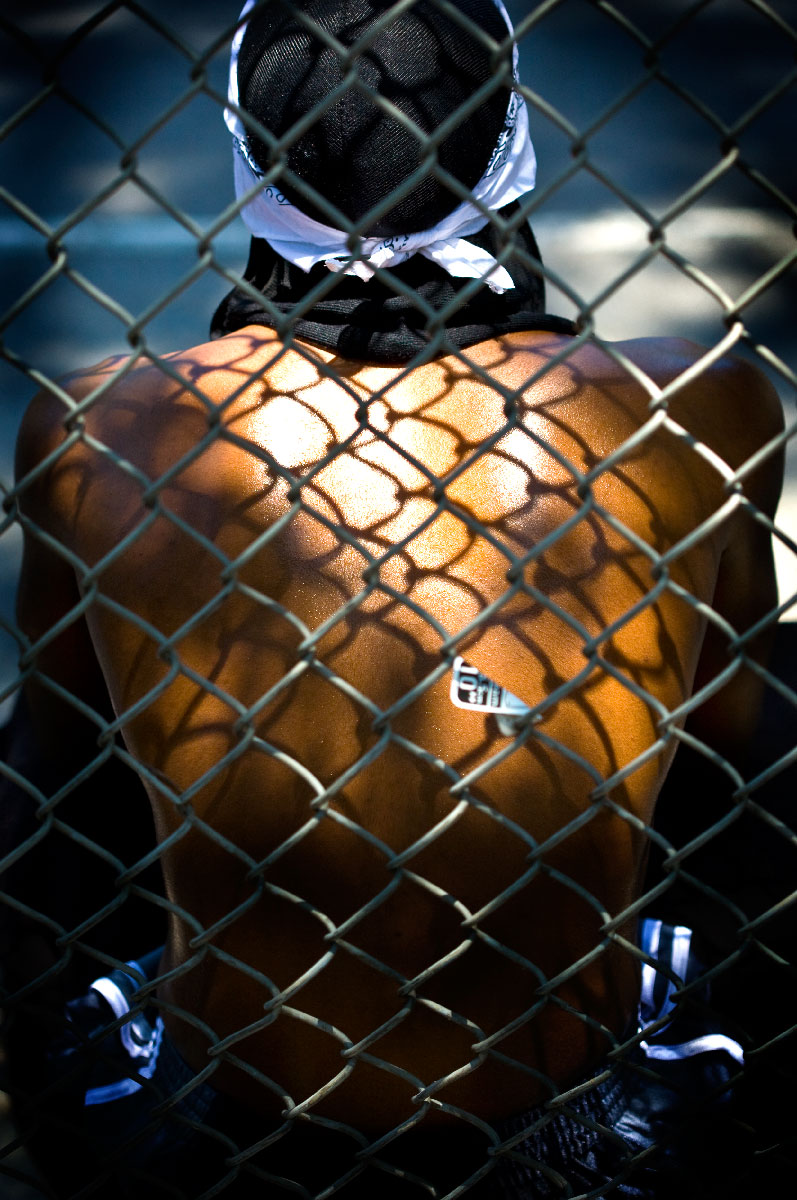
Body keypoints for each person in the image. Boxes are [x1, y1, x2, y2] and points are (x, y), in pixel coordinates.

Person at [3, 0, 785, 1196]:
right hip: (566, 1107)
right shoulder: (699, 405)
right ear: (512, 139)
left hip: (232, 1114)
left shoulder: (99, 422)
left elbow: (60, 778)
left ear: (247, 155)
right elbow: (732, 761)